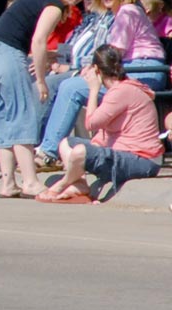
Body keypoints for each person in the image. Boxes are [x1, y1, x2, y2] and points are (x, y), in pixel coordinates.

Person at [0, 0, 84, 198]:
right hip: (7, 54)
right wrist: (42, 81)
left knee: (4, 119)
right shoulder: (54, 3)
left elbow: (31, 41)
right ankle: (30, 181)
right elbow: (39, 41)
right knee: (23, 116)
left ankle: (8, 183)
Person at [39, 0, 164, 157]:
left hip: (142, 70)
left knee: (71, 87)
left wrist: (90, 70)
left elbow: (113, 54)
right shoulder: (123, 12)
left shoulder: (127, 12)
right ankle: (47, 147)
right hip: (131, 70)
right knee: (67, 84)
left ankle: (48, 152)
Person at [36, 46, 164, 203]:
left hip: (142, 159)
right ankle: (80, 183)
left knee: (80, 152)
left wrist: (93, 90)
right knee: (66, 143)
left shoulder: (121, 91)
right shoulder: (120, 89)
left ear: (96, 69)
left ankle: (62, 184)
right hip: (123, 151)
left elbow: (91, 124)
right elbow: (104, 133)